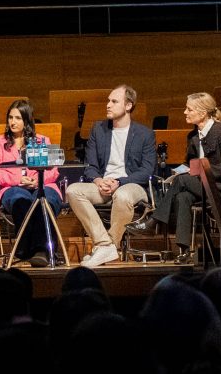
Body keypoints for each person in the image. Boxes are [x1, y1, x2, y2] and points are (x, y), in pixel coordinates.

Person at [65, 84, 156, 269]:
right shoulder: (98, 129)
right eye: (108, 101)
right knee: (73, 191)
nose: (108, 105)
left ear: (128, 105)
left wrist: (119, 182)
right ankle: (104, 244)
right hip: (104, 184)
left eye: (114, 101)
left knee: (122, 195)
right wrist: (99, 180)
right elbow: (90, 166)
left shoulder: (145, 134)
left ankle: (110, 244)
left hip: (132, 184)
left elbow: (147, 171)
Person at [151, 91, 221, 264]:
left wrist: (202, 171)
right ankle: (184, 251)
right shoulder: (193, 136)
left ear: (203, 113)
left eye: (189, 109)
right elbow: (189, 163)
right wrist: (180, 171)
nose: (185, 112)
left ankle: (154, 221)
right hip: (202, 187)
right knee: (183, 196)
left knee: (182, 180)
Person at [0, 97, 65, 264]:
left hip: (42, 184)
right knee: (20, 199)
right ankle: (25, 249)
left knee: (44, 199)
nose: (12, 122)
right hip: (12, 187)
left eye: (18, 118)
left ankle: (43, 250)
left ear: (27, 120)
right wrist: (17, 179)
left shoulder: (43, 141)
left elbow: (53, 170)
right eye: (10, 117)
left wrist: (37, 180)